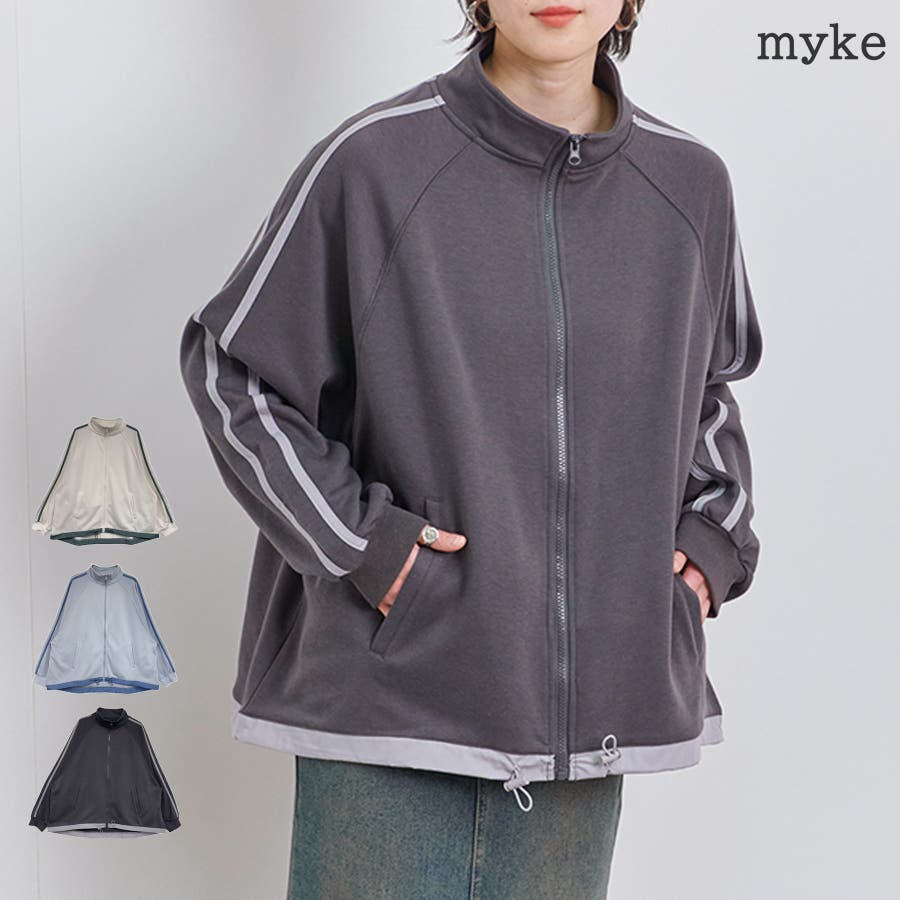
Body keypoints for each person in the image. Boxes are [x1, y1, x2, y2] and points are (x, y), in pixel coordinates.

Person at [179, 0, 764, 896]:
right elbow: (234, 372)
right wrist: (365, 547)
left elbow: (710, 384)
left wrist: (712, 539)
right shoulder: (375, 164)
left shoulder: (690, 186)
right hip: (392, 704)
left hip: (589, 720)